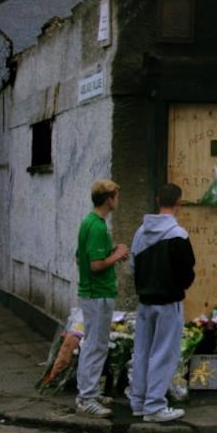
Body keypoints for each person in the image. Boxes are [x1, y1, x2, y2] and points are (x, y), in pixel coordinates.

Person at [129, 183, 196, 423]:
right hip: (169, 301)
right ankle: (155, 406)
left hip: (145, 300)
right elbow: (187, 273)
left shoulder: (140, 232)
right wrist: (181, 286)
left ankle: (138, 401)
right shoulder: (178, 235)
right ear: (179, 202)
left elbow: (133, 265)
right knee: (164, 353)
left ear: (158, 199)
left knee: (142, 351)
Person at [75, 178, 130, 418]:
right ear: (109, 199)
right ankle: (86, 397)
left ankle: (89, 392)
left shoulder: (89, 222)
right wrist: (116, 255)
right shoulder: (97, 226)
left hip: (92, 292)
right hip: (99, 294)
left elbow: (80, 257)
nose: (117, 200)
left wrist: (110, 252)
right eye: (116, 196)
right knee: (96, 345)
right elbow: (95, 264)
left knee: (93, 344)